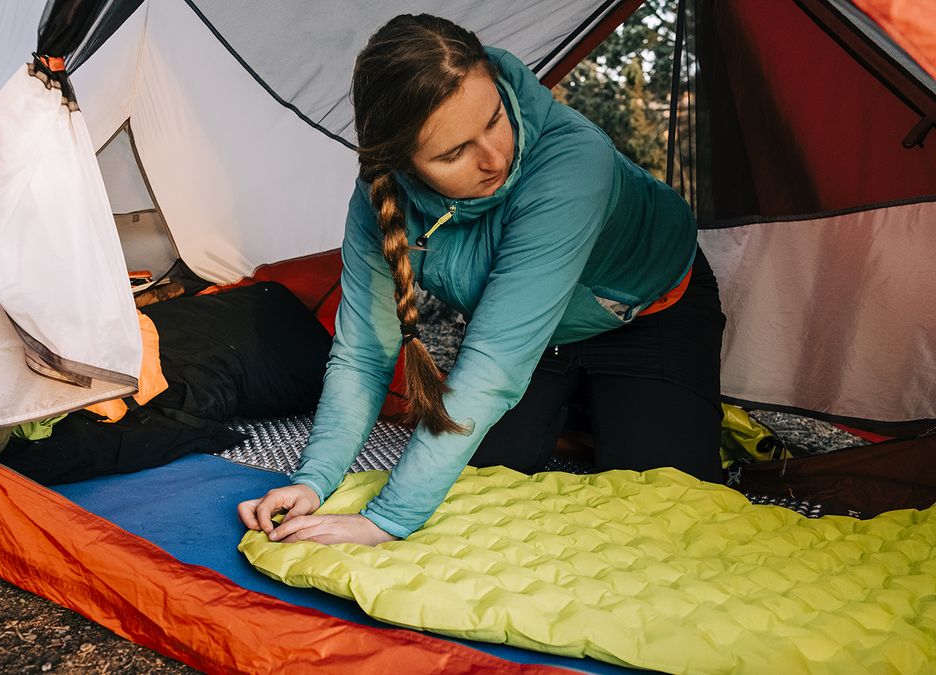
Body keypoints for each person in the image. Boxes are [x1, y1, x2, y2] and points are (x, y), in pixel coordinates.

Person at [237, 14, 725, 546]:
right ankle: (582, 403)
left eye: (494, 119)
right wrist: (313, 480)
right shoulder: (380, 197)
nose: (495, 158)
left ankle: (608, 401)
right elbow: (362, 354)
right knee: (477, 487)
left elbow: (490, 370)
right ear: (402, 161)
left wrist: (388, 520)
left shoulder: (574, 163)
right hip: (532, 335)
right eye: (453, 153)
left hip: (649, 312)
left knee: (666, 506)